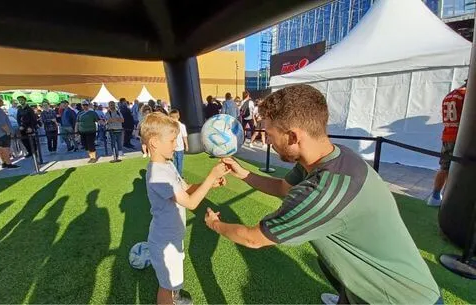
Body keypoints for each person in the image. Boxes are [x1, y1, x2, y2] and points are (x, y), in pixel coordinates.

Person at [204, 85, 441, 305]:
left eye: (271, 134)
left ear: (293, 137)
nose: (270, 142)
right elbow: (282, 189)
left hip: (397, 299)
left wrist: (215, 224)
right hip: (361, 289)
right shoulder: (333, 157)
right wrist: (244, 174)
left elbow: (252, 239)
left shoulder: (323, 189)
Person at [140, 112, 229, 305]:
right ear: (154, 142)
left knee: (173, 279)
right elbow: (190, 202)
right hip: (164, 241)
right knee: (166, 286)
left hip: (172, 235)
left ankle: (176, 298)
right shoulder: (158, 174)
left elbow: (186, 189)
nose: (176, 144)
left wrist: (209, 184)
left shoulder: (167, 165)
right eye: (172, 140)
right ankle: (170, 299)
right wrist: (211, 177)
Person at [427, 81, 467, 206]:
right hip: (461, 138)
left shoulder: (450, 95)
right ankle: (449, 199)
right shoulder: (467, 95)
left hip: (448, 135)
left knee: (444, 167)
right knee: (459, 170)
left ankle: (435, 196)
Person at [0, 97, 19, 169]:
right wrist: (8, 132)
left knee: (0, 148)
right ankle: (8, 163)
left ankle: (4, 162)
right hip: (2, 133)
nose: (2, 102)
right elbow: (2, 123)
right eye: (1, 100)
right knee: (5, 148)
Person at [169, 109, 188, 175]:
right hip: (178, 148)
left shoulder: (179, 126)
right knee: (178, 162)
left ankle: (177, 175)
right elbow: (184, 136)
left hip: (176, 148)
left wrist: (186, 145)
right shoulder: (180, 126)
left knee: (175, 162)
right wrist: (186, 145)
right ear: (178, 116)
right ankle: (178, 175)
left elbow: (184, 136)